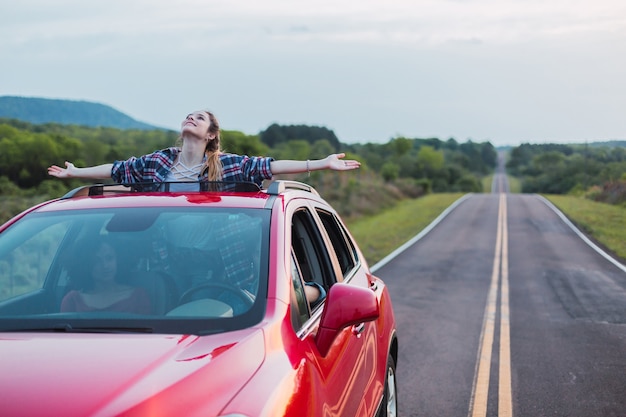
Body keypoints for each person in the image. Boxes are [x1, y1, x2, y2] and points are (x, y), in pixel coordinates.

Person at [47, 110, 360, 189]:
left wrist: (321, 163)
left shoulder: (226, 165)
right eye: (188, 115)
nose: (190, 118)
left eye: (199, 118)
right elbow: (118, 170)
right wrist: (76, 172)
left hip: (216, 258)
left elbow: (270, 166)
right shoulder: (159, 161)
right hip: (163, 257)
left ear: (210, 134)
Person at [60, 238, 151, 314]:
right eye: (97, 261)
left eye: (109, 258)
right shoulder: (72, 301)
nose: (105, 265)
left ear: (118, 260)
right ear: (86, 265)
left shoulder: (138, 296)